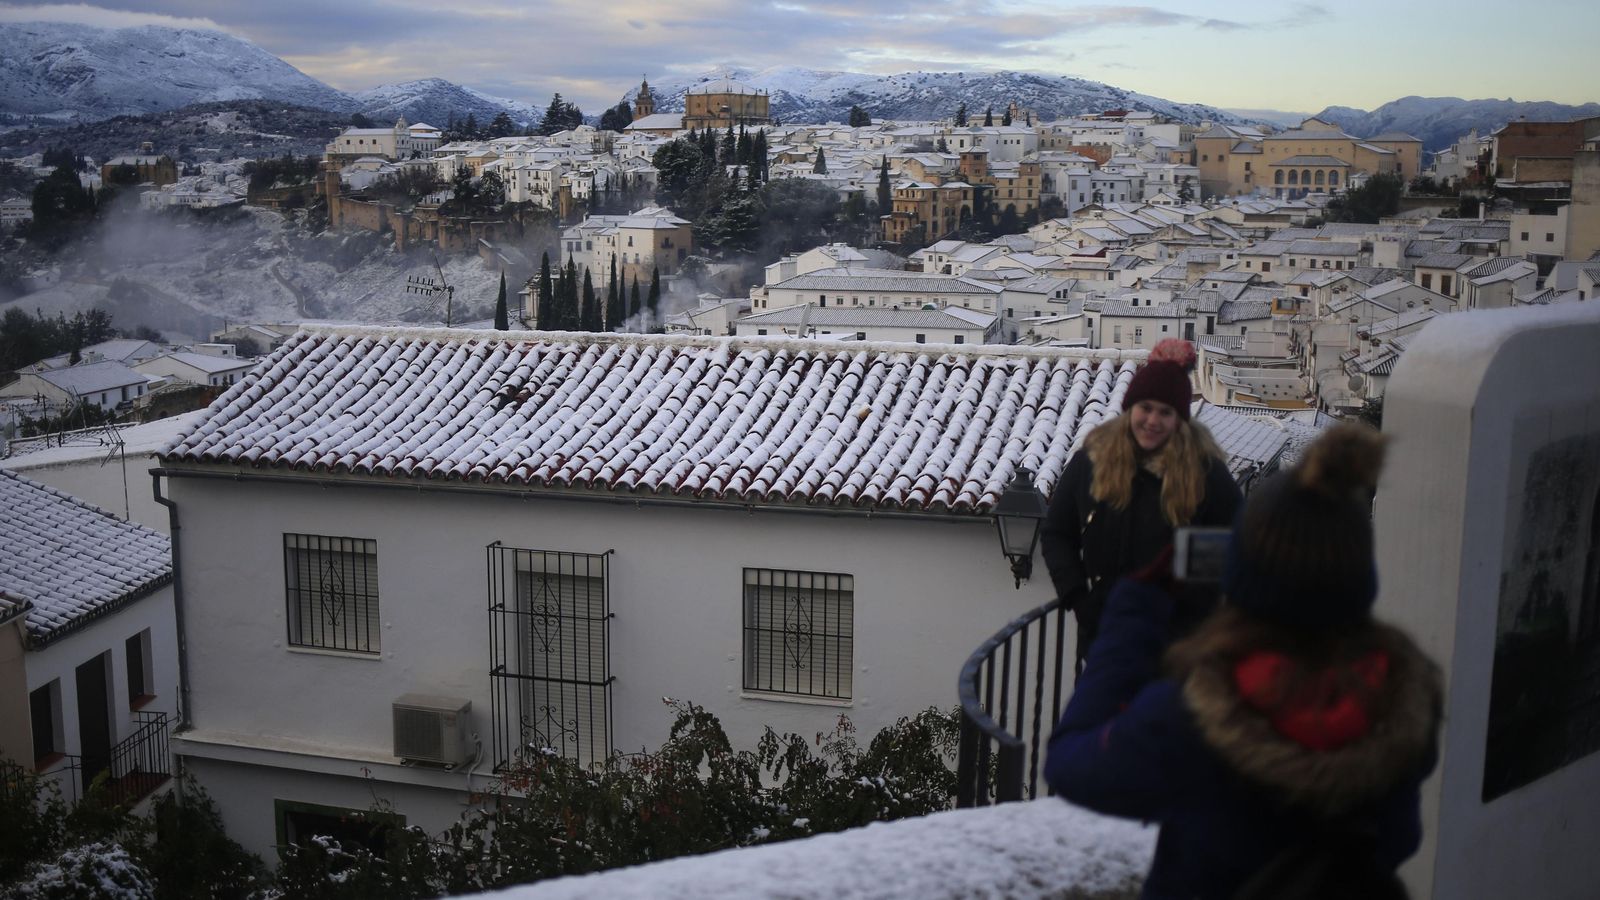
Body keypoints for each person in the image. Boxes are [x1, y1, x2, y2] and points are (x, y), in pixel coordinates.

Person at [1044, 424, 1444, 900]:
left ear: (1245, 572)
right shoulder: (1396, 705)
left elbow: (1072, 765)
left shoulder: (1197, 715)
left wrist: (1132, 614)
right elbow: (1401, 839)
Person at [1040, 338, 1241, 671]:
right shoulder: (1092, 461)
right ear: (1130, 408)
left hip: (1180, 647)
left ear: (1179, 420)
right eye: (1145, 408)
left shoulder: (1205, 472)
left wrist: (1199, 605)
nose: (1152, 420)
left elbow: (1237, 541)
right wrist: (1078, 597)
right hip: (1106, 637)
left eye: (1165, 412)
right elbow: (1056, 532)